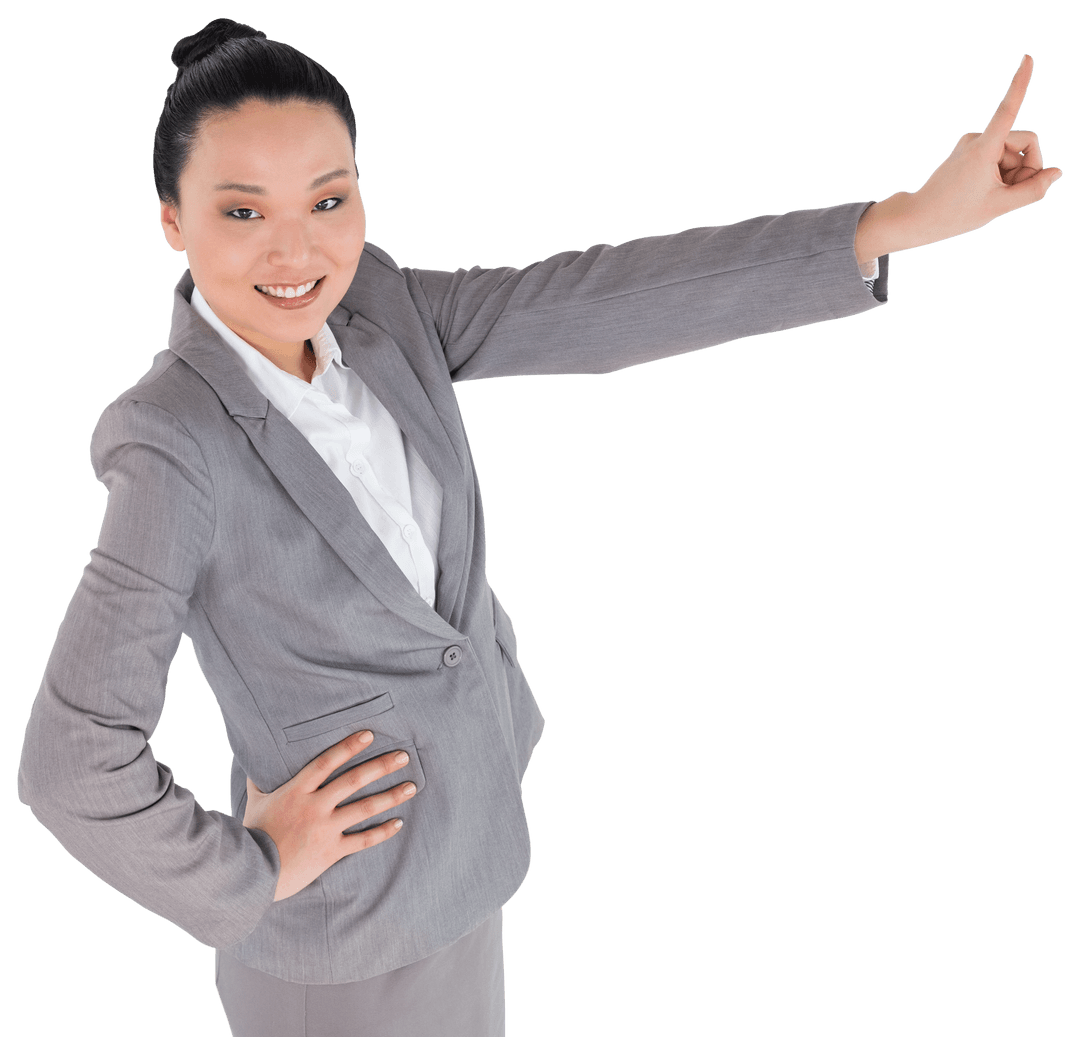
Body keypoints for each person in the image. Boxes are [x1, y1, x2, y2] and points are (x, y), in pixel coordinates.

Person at [14, 16, 1062, 1037]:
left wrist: (893, 223)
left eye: (329, 199)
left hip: (467, 849)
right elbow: (70, 761)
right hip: (342, 939)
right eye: (242, 212)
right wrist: (253, 867)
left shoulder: (379, 311)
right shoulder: (172, 439)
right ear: (171, 219)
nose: (298, 250)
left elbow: (601, 299)